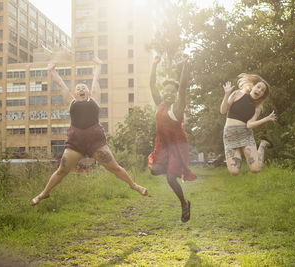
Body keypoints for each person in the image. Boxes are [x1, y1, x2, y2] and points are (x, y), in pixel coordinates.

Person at [30, 57, 148, 206]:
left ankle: (134, 185)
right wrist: (52, 70)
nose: (81, 89)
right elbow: (61, 84)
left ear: (88, 92)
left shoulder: (95, 99)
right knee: (61, 171)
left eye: (83, 88)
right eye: (78, 88)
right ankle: (44, 193)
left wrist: (98, 65)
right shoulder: (71, 102)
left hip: (95, 142)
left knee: (115, 167)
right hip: (75, 143)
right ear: (74, 92)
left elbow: (95, 81)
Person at [148, 54, 196, 222]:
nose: (168, 93)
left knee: (170, 178)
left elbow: (183, 87)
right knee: (154, 170)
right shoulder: (159, 104)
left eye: (172, 91)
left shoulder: (178, 107)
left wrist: (184, 64)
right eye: (166, 91)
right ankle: (171, 169)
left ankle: (184, 204)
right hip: (162, 145)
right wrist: (154, 64)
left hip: (177, 146)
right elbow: (152, 84)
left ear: (176, 94)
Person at [220, 73, 277, 176]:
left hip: (245, 135)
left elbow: (249, 125)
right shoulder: (237, 94)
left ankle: (263, 144)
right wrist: (226, 94)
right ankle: (244, 153)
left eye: (262, 91)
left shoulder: (257, 107)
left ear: (262, 95)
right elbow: (223, 111)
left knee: (256, 169)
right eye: (258, 87)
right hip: (230, 135)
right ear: (253, 86)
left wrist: (266, 119)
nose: (259, 90)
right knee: (234, 171)